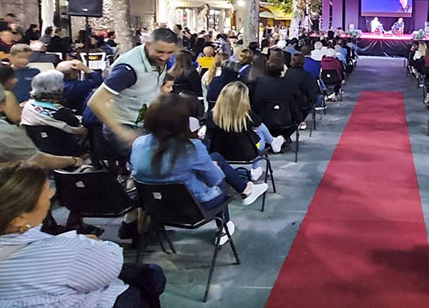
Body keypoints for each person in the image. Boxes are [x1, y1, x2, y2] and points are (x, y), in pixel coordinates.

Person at [0, 161, 165, 307]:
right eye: (46, 193)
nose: (52, 195)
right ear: (19, 218)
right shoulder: (66, 251)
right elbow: (111, 265)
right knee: (150, 276)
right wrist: (89, 243)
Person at [131, 94, 269, 245]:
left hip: (156, 208)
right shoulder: (192, 148)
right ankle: (225, 224)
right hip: (195, 209)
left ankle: (246, 189)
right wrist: (213, 168)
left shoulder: (138, 144)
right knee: (217, 170)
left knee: (215, 157)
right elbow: (215, 180)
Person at [87, 28, 180, 158]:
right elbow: (95, 102)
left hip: (142, 122)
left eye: (170, 52)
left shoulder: (157, 60)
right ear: (148, 45)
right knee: (154, 162)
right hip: (124, 125)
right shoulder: (128, 70)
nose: (165, 57)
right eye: (160, 52)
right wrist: (122, 133)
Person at [206, 82, 285, 174]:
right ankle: (256, 168)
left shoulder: (211, 116)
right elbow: (258, 124)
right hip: (248, 153)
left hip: (219, 153)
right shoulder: (247, 116)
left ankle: (273, 142)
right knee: (260, 132)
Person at [20, 70, 88, 155]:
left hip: (37, 148)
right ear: (56, 86)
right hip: (63, 150)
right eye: (61, 82)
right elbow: (75, 125)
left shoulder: (28, 105)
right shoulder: (59, 111)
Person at [250, 57, 304, 140]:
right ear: (281, 69)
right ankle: (283, 137)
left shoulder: (258, 82)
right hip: (286, 120)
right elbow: (299, 97)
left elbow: (253, 100)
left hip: (263, 119)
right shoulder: (289, 82)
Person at [285, 53, 320, 125]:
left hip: (289, 101)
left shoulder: (288, 72)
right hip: (302, 102)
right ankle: (300, 119)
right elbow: (313, 90)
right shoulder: (307, 75)